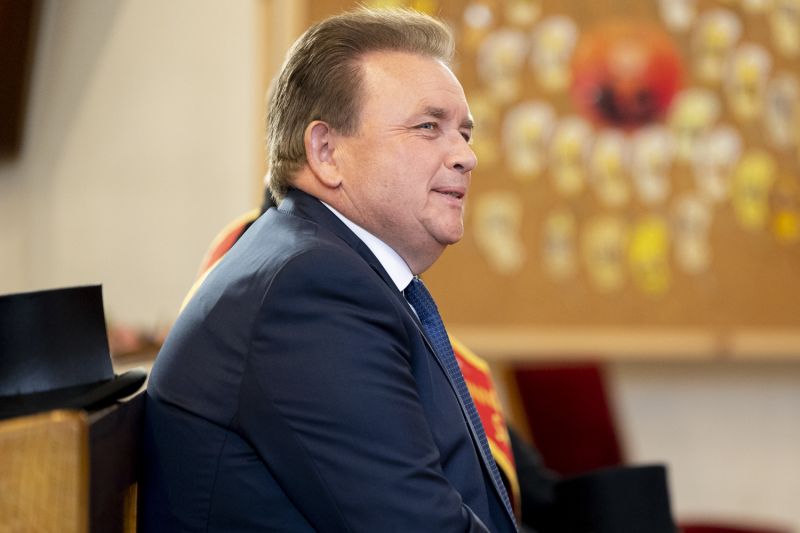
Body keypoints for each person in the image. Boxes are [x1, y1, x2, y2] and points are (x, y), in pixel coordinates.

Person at [141, 7, 518, 532]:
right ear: (325, 151)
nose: (465, 157)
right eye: (428, 127)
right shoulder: (311, 290)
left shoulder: (320, 263)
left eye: (464, 133)